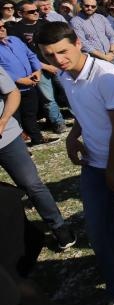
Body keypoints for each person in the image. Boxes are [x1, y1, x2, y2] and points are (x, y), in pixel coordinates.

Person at [37, 22, 114, 305]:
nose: (57, 60)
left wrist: (111, 168)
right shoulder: (66, 76)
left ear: (78, 43)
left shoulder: (106, 76)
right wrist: (72, 135)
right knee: (98, 228)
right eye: (49, 55)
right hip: (95, 162)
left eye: (62, 52)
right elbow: (82, 112)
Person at [0, 65, 76, 251]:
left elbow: (13, 93)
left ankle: (59, 229)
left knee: (31, 184)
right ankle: (14, 240)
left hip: (6, 138)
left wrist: (2, 122)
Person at [7, 1, 69, 135]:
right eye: (30, 11)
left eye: (36, 10)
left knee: (69, 91)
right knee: (48, 98)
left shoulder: (45, 24)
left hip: (57, 63)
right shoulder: (15, 30)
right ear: (20, 13)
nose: (35, 13)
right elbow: (24, 54)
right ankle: (58, 123)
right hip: (37, 68)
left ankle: (79, 117)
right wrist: (45, 66)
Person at [0, 20, 51, 145]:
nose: (2, 29)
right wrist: (19, 80)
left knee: (31, 115)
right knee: (14, 118)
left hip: (30, 85)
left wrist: (37, 71)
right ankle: (21, 146)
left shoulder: (15, 40)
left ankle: (37, 138)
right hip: (10, 90)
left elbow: (31, 55)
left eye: (2, 26)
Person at [71, 0, 114, 64]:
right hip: (95, 60)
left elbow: (112, 35)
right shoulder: (75, 21)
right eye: (87, 6)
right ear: (81, 5)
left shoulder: (101, 17)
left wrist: (112, 51)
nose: (90, 8)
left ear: (96, 7)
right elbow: (83, 43)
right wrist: (104, 57)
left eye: (93, 6)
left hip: (111, 55)